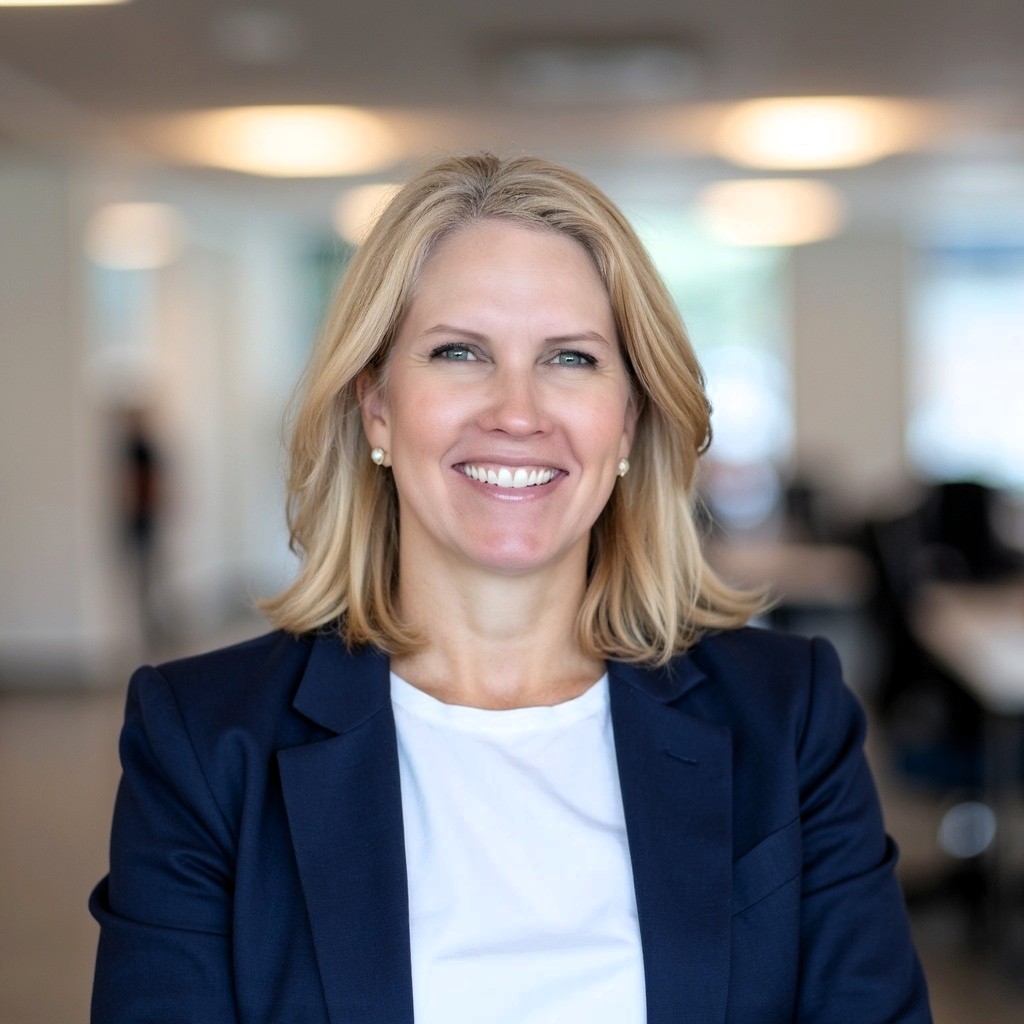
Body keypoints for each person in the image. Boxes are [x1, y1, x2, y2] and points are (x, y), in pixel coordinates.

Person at [90, 154, 932, 1023]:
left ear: (631, 417)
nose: (518, 411)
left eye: (570, 358)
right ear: (377, 404)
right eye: (460, 352)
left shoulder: (788, 715)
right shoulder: (200, 738)